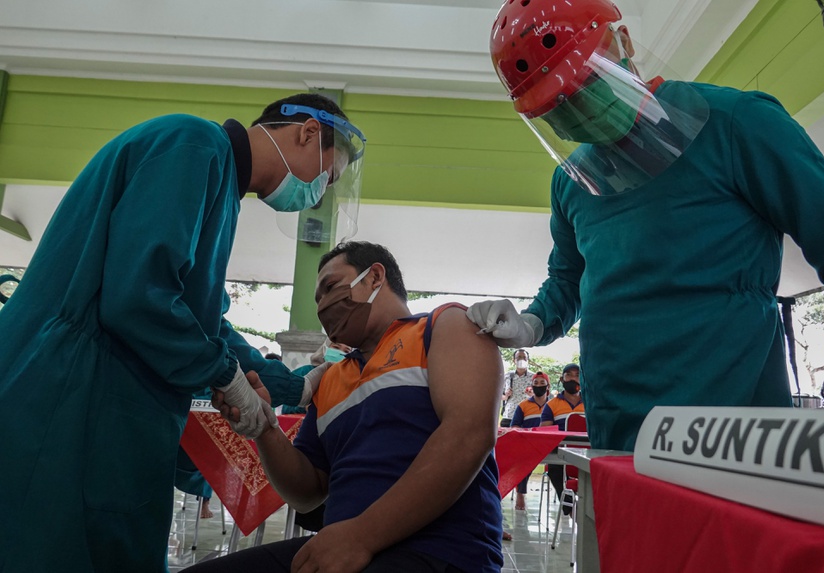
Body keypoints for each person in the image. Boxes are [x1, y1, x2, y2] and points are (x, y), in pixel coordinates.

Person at [467, 0, 824, 452]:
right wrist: (531, 324)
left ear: (624, 42)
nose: (579, 112)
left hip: (735, 432)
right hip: (617, 429)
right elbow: (569, 280)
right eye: (557, 107)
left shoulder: (738, 125)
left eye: (584, 86)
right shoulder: (571, 184)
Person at [0, 92, 366, 573]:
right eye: (326, 177)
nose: (316, 195)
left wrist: (293, 386)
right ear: (307, 132)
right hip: (68, 389)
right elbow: (138, 296)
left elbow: (203, 322)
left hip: (113, 403)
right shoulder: (192, 144)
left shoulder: (221, 187)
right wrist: (224, 375)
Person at [194, 241, 504, 573]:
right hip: (343, 549)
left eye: (330, 287)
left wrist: (361, 537)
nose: (323, 306)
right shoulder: (331, 378)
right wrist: (264, 428)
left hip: (443, 551)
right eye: (318, 300)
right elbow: (307, 493)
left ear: (374, 277)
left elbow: (468, 435)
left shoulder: (445, 325)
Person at [540, 363, 584, 512]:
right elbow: (545, 431)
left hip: (585, 452)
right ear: (562, 379)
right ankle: (570, 509)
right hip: (560, 453)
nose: (573, 379)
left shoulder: (590, 403)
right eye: (569, 375)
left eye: (577, 375)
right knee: (555, 469)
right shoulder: (551, 405)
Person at [510, 371, 552, 510]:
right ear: (531, 386)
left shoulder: (553, 404)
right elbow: (515, 425)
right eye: (536, 383)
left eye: (542, 383)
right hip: (528, 445)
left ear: (548, 386)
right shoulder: (523, 405)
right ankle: (521, 494)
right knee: (523, 461)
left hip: (549, 445)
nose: (539, 386)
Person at [500, 348, 534, 427]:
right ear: (514, 360)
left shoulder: (534, 377)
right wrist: (506, 396)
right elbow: (498, 395)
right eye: (519, 357)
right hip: (509, 415)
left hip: (526, 416)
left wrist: (532, 394)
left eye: (524, 358)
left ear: (528, 360)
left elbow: (540, 397)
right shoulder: (507, 376)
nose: (522, 360)